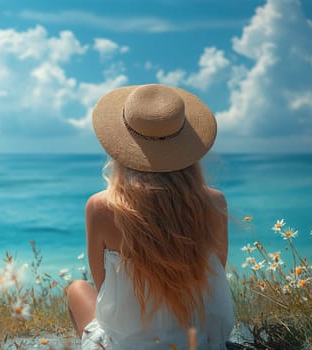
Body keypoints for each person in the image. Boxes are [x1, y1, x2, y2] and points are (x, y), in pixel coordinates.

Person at [67, 84, 234, 349]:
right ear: (187, 149)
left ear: (122, 146)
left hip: (126, 344)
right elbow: (215, 276)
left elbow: (104, 289)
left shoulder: (99, 207)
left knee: (77, 288)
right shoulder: (214, 203)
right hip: (199, 342)